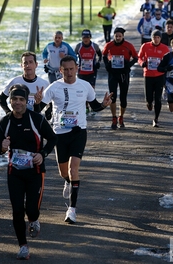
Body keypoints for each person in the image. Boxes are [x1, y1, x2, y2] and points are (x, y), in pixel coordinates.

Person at [34, 55, 113, 224]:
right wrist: (37, 102)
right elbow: (38, 110)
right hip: (59, 134)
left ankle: (72, 210)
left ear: (77, 68)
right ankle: (68, 183)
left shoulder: (85, 86)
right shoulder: (54, 87)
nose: (69, 73)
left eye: (72, 69)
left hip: (78, 132)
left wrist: (104, 105)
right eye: (66, 70)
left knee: (73, 170)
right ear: (60, 70)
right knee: (64, 173)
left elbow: (95, 106)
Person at [0, 84, 57, 260]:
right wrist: (2, 148)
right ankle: (23, 246)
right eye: (14, 99)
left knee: (31, 209)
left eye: (21, 99)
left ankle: (34, 219)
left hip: (35, 171)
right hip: (15, 172)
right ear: (10, 101)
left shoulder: (37, 119)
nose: (18, 103)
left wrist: (42, 154)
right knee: (17, 210)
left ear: (26, 101)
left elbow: (52, 138)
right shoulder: (5, 122)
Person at [102, 27, 138, 130]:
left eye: (120, 36)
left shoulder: (128, 45)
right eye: (116, 36)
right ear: (114, 36)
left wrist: (129, 65)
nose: (118, 38)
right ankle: (114, 117)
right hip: (113, 73)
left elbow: (136, 57)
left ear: (123, 36)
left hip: (123, 74)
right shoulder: (109, 45)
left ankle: (121, 117)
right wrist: (106, 65)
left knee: (123, 98)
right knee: (112, 97)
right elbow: (104, 55)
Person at [0, 51, 51, 119]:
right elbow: (1, 98)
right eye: (25, 63)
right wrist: (8, 112)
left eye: (31, 62)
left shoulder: (44, 84)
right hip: (18, 117)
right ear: (21, 65)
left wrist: (48, 112)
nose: (28, 65)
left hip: (36, 118)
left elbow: (51, 102)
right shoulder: (15, 82)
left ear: (36, 64)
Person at [138, 30, 170, 127]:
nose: (156, 40)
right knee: (149, 98)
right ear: (151, 38)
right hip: (148, 75)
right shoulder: (145, 46)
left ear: (160, 38)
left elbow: (168, 60)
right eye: (154, 38)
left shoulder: (164, 48)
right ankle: (149, 102)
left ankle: (156, 119)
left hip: (159, 76)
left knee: (158, 99)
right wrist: (141, 63)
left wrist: (166, 68)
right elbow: (139, 57)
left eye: (158, 38)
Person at [74, 29, 102, 114]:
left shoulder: (95, 46)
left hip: (92, 71)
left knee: (91, 89)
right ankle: (85, 106)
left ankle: (92, 106)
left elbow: (100, 55)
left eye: (87, 37)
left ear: (90, 37)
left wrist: (98, 62)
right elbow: (73, 56)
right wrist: (75, 65)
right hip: (81, 72)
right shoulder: (78, 46)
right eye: (84, 37)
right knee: (82, 90)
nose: (86, 39)